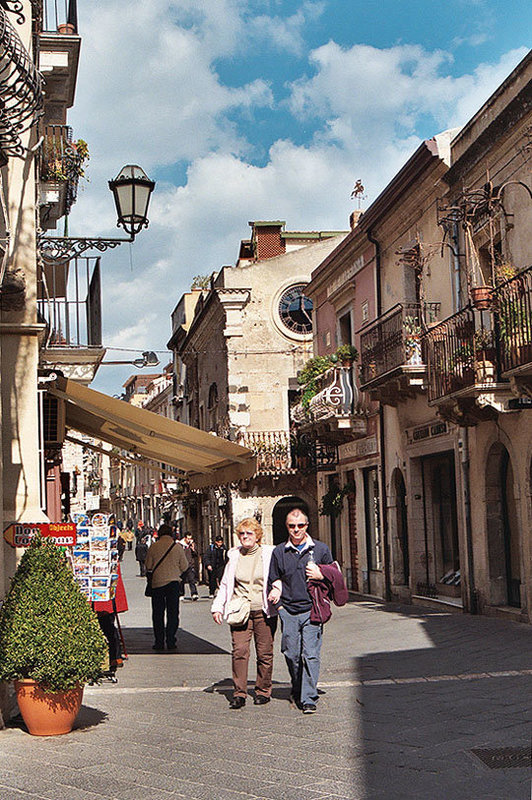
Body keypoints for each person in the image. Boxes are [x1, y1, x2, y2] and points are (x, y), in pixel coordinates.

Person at [267, 507, 333, 714]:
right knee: (292, 654)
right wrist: (279, 605)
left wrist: (321, 575)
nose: (296, 530)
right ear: (287, 527)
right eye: (292, 526)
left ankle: (309, 697)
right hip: (288, 610)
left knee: (311, 654)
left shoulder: (321, 550)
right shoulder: (279, 552)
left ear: (307, 526)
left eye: (300, 525)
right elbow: (273, 578)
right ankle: (298, 688)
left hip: (313, 610)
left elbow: (335, 577)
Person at [212, 518, 277, 709]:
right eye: (242, 533)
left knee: (265, 653)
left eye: (249, 533)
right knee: (239, 651)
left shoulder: (269, 553)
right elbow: (225, 584)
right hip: (240, 611)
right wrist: (218, 606)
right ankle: (240, 693)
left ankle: (263, 690)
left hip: (263, 610)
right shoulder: (234, 555)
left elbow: (279, 577)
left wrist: (278, 590)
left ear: (258, 535)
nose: (245, 537)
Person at [145, 523, 188, 651]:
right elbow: (185, 566)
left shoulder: (153, 547)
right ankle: (170, 640)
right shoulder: (177, 547)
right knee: (173, 613)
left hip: (157, 584)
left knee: (158, 614)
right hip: (173, 584)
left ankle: (159, 641)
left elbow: (148, 566)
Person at [179, 533, 199, 600]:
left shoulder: (192, 545)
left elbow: (195, 555)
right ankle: (181, 594)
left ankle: (194, 593)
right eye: (188, 538)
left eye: (190, 538)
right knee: (182, 580)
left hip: (190, 565)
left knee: (192, 579)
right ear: (185, 538)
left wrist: (193, 549)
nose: (189, 540)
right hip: (182, 565)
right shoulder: (180, 545)